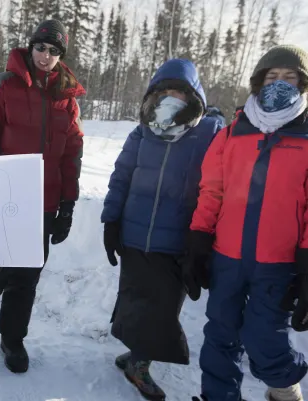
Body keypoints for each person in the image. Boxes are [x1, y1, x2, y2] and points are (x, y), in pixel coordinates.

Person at [0, 19, 85, 382]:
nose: (46, 56)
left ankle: (12, 340)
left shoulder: (67, 100)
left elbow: (71, 155)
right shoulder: (3, 85)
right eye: (41, 48)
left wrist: (67, 206)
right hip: (3, 204)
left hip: (41, 208)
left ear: (61, 56)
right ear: (30, 47)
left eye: (54, 51)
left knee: (25, 280)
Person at [185, 44, 308, 401]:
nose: (280, 84)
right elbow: (212, 191)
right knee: (220, 334)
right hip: (228, 257)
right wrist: (198, 237)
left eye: (290, 78)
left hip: (278, 263)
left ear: (302, 85)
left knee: (263, 338)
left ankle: (285, 389)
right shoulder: (232, 133)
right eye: (272, 77)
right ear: (258, 82)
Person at [100, 58, 224, 400]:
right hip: (134, 236)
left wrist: (205, 239)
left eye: (179, 91)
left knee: (163, 310)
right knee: (135, 301)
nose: (172, 97)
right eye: (164, 90)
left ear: (193, 96)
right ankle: (136, 360)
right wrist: (111, 220)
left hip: (176, 241)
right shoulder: (141, 132)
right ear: (153, 95)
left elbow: (216, 188)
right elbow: (121, 177)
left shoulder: (209, 134)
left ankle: (137, 361)